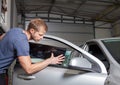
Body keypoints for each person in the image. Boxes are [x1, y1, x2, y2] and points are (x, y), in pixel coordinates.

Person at [0, 18, 65, 85]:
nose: (42, 37)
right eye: (40, 35)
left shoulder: (16, 30)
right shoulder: (23, 42)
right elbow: (29, 69)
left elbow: (2, 37)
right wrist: (49, 61)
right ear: (32, 30)